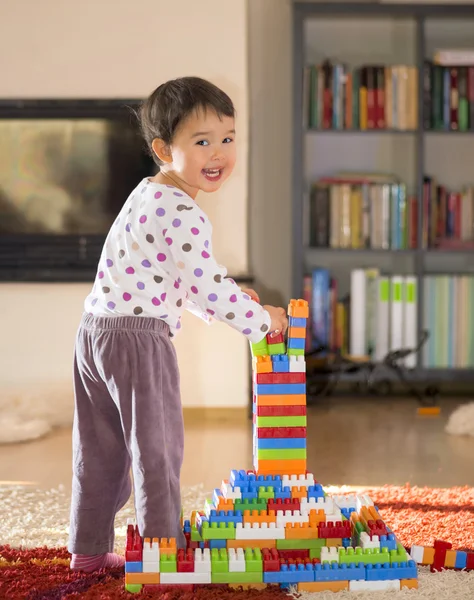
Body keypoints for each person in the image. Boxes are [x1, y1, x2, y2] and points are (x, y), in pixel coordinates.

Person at [68, 76, 288, 572]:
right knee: (157, 450)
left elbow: (173, 278)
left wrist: (222, 301)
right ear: (164, 148)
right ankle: (162, 554)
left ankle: (87, 551)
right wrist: (261, 319)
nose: (219, 153)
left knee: (99, 449)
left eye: (228, 138)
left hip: (95, 333)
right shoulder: (185, 211)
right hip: (138, 342)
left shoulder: (145, 194)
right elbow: (205, 284)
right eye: (202, 141)